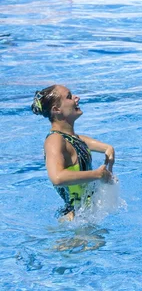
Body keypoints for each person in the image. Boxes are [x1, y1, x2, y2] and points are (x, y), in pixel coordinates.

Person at [32, 85, 114, 220]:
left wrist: (108, 150)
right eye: (69, 97)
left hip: (83, 216)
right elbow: (57, 177)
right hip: (73, 220)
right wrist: (98, 174)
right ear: (56, 110)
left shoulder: (71, 138)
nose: (77, 98)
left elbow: (86, 143)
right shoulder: (54, 141)